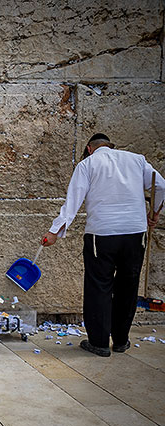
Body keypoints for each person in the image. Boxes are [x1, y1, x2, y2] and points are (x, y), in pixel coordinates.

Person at [42, 133, 164, 357]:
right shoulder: (136, 160)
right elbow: (161, 186)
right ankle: (120, 341)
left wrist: (54, 232)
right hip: (135, 233)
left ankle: (98, 342)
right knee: (128, 286)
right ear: (111, 146)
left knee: (99, 286)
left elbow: (73, 201)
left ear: (89, 148)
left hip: (102, 234)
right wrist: (154, 213)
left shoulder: (87, 164)